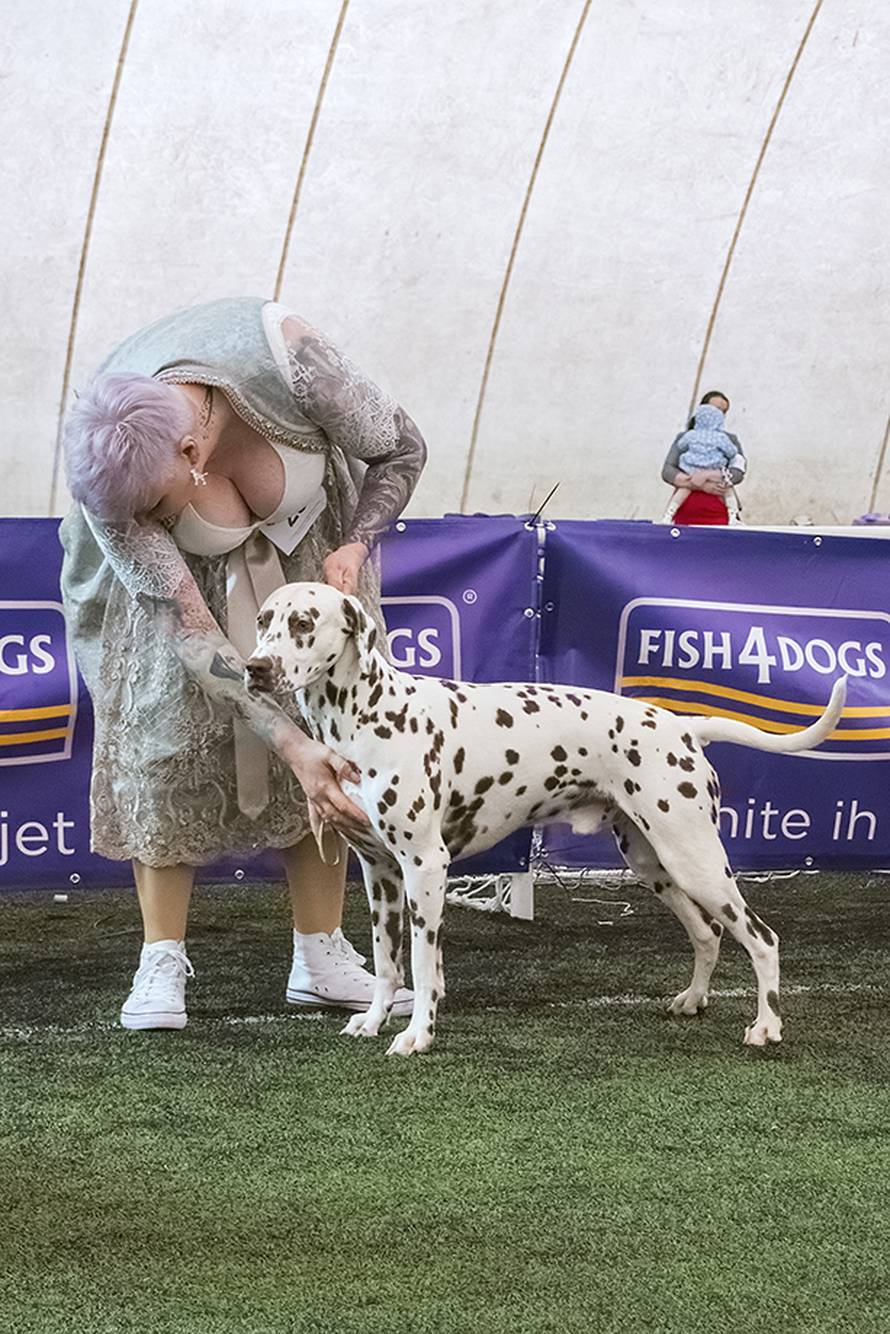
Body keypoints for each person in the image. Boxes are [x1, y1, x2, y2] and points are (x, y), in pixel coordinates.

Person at [59, 296, 427, 1031]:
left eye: (156, 510)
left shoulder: (293, 362)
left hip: (312, 548)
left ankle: (321, 955)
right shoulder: (114, 479)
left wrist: (354, 543)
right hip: (182, 596)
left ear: (192, 455)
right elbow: (193, 633)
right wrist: (291, 749)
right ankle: (160, 959)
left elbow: (401, 447)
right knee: (163, 744)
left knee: (335, 729)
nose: (144, 524)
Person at [659, 390, 746, 525]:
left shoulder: (729, 439)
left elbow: (738, 472)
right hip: (686, 505)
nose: (719, 414)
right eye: (716, 409)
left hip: (719, 507)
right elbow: (668, 471)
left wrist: (708, 475)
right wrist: (699, 484)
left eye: (724, 411)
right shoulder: (686, 437)